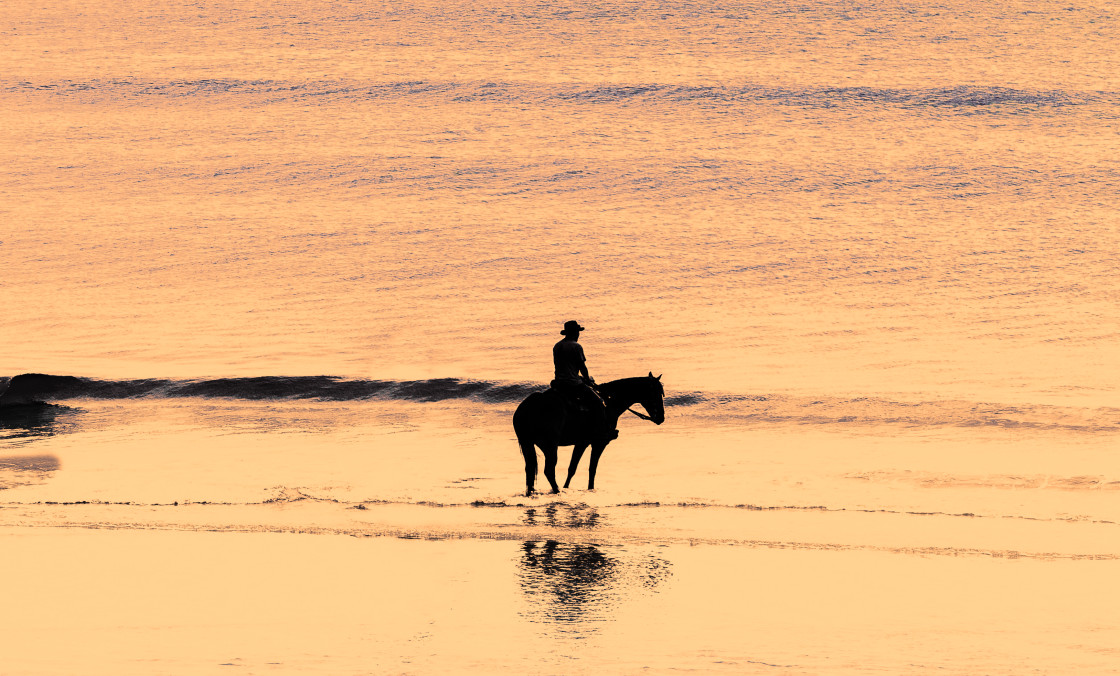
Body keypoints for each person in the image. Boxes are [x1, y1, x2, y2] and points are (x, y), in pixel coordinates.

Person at [552, 320, 616, 441]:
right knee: (599, 403)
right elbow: (582, 367)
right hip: (572, 384)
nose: (578, 334)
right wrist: (587, 380)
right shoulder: (576, 346)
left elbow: (564, 366)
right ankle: (603, 432)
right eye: (577, 332)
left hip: (559, 383)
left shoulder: (557, 346)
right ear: (575, 333)